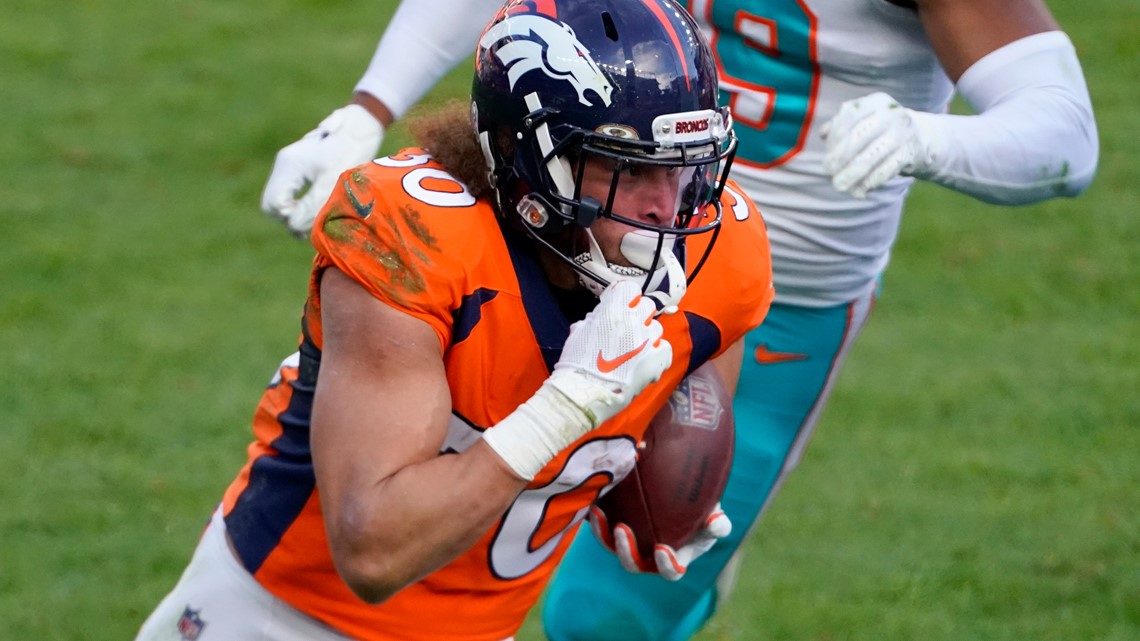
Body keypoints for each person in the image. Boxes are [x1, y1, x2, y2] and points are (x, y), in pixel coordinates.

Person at [259, 0, 1099, 639]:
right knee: (427, 533)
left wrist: (926, 140)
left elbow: (1064, 128)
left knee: (612, 606)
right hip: (558, 241)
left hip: (766, 301)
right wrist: (371, 104)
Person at [135, 1, 774, 640]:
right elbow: (373, 554)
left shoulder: (724, 252)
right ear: (529, 158)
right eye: (630, 167)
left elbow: (696, 375)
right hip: (285, 614)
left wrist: (629, 474)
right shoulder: (410, 234)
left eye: (687, 165)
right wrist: (568, 410)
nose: (668, 208)